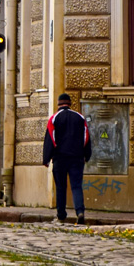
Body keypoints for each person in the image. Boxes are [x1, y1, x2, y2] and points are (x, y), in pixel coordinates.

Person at [42, 92, 92, 225]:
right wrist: (87, 155)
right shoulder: (80, 118)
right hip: (77, 157)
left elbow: (50, 139)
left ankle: (61, 215)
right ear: (70, 104)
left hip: (60, 158)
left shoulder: (54, 118)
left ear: (58, 104)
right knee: (76, 186)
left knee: (61, 187)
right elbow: (86, 138)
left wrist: (46, 158)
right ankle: (80, 212)